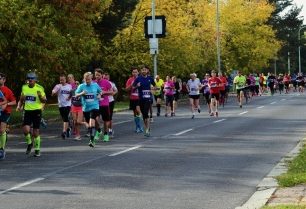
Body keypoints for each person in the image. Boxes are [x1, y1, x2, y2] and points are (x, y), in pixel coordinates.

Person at [16, 72, 47, 157]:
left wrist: (40, 97)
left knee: (35, 132)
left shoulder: (40, 88)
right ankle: (30, 144)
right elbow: (22, 98)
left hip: (37, 111)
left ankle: (37, 150)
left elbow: (44, 100)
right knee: (26, 130)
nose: (30, 80)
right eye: (29, 78)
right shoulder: (24, 87)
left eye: (32, 79)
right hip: (27, 111)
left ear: (35, 80)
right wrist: (19, 106)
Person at [75, 72, 102, 147]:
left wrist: (99, 95)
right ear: (84, 79)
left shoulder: (95, 85)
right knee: (91, 124)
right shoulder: (81, 86)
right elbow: (76, 95)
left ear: (91, 79)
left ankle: (92, 141)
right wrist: (82, 93)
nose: (88, 81)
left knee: (91, 122)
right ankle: (99, 129)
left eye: (89, 79)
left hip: (95, 106)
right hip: (86, 108)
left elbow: (100, 91)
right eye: (86, 79)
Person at [133, 65, 156, 137]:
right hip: (140, 99)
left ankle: (147, 129)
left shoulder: (150, 78)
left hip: (148, 98)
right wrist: (137, 86)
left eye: (145, 70)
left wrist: (153, 90)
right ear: (141, 71)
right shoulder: (138, 79)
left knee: (146, 113)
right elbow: (133, 88)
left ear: (147, 71)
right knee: (144, 115)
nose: (144, 71)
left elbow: (155, 86)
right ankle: (147, 128)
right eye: (142, 70)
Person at [94, 68, 113, 142]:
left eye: (99, 75)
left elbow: (111, 92)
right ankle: (98, 131)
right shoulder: (93, 83)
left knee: (106, 120)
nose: (97, 77)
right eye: (96, 75)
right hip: (95, 104)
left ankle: (106, 134)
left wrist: (104, 92)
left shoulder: (106, 82)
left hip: (104, 104)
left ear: (102, 75)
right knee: (95, 119)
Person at [51, 74, 72, 139]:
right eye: (60, 80)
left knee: (65, 118)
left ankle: (64, 132)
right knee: (64, 118)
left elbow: (71, 93)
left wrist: (69, 97)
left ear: (65, 80)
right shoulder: (58, 86)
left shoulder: (69, 86)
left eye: (63, 80)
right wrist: (54, 93)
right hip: (61, 105)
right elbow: (53, 93)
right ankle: (68, 128)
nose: (61, 81)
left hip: (68, 105)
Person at [0, 73, 14, 160]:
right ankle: (4, 136)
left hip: (5, 112)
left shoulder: (7, 90)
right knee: (1, 131)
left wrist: (6, 103)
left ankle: (2, 149)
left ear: (4, 80)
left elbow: (14, 101)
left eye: (0, 78)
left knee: (1, 130)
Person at [125, 67, 143, 133]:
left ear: (138, 72)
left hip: (140, 98)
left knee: (138, 111)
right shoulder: (130, 80)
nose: (134, 73)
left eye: (136, 72)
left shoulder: (141, 79)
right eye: (133, 72)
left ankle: (139, 126)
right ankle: (138, 126)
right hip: (132, 98)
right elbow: (126, 89)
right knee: (135, 113)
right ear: (132, 73)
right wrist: (132, 85)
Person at [104, 72, 118, 137]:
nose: (105, 79)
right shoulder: (100, 83)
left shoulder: (112, 84)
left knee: (109, 117)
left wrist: (113, 93)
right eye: (104, 77)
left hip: (110, 101)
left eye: (107, 77)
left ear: (109, 78)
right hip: (102, 102)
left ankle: (110, 130)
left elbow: (116, 90)